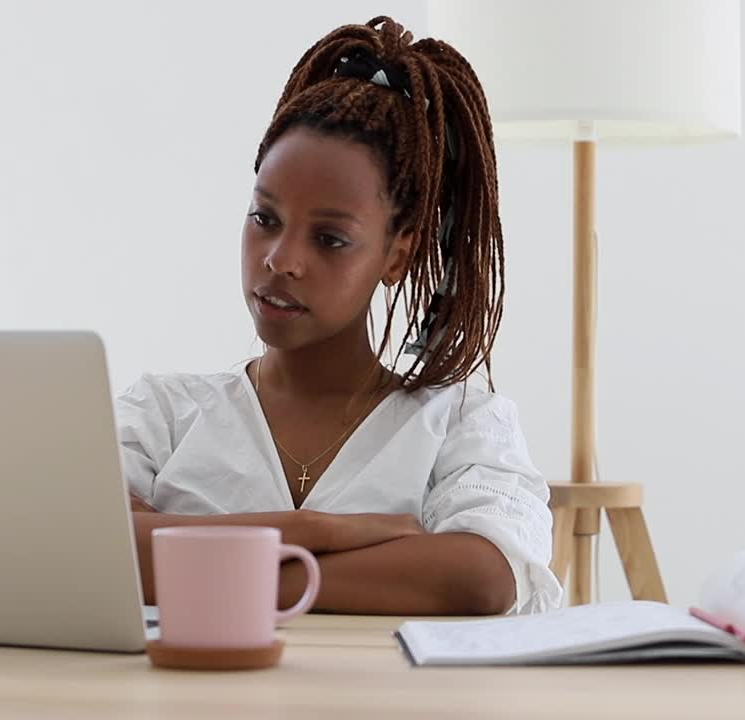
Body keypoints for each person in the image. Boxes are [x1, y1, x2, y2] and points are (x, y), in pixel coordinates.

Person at [118, 17, 560, 615]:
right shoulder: (161, 416)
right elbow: (89, 547)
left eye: (329, 239)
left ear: (397, 253)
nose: (281, 260)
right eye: (265, 218)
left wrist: (194, 566)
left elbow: (479, 578)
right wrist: (323, 534)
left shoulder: (459, 423)